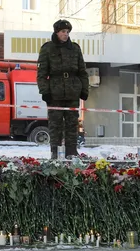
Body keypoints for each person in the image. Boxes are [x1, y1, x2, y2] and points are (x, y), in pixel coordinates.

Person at [36, 19, 89, 159]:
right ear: (57, 32)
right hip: (55, 92)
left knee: (72, 123)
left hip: (73, 91)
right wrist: (45, 91)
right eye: (63, 32)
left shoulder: (75, 48)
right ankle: (55, 151)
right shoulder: (47, 48)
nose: (66, 34)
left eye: (67, 32)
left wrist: (84, 90)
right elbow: (41, 74)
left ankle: (71, 151)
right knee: (55, 124)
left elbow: (82, 71)